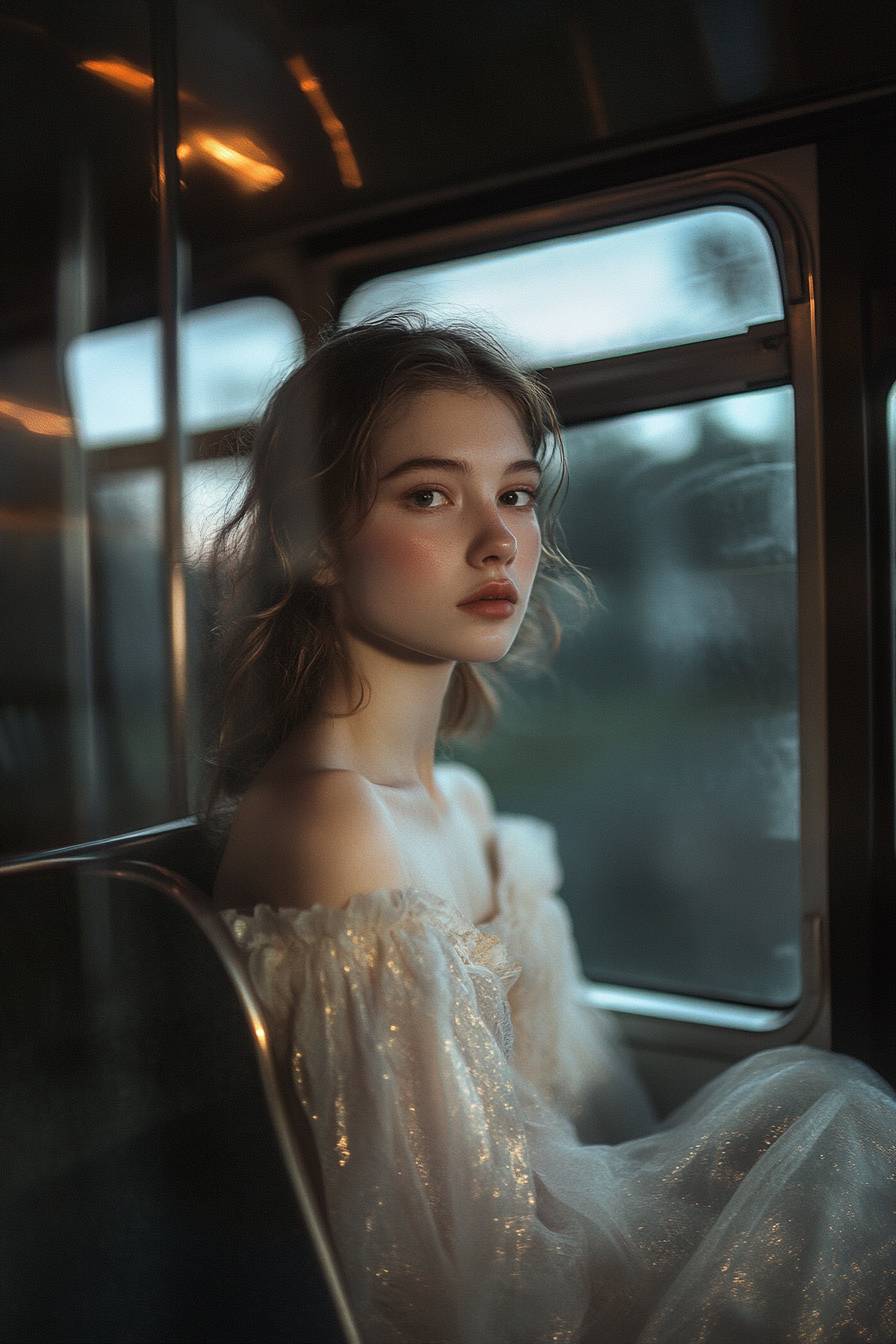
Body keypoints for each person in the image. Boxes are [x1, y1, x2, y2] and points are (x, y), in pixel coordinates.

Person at [207, 312, 896, 1343]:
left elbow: (579, 1115)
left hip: (570, 1259)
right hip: (516, 1307)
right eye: (429, 495)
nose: (497, 540)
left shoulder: (469, 807)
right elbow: (434, 1281)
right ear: (312, 542)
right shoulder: (327, 823)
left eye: (516, 494)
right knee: (837, 1123)